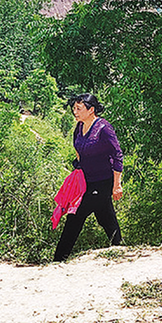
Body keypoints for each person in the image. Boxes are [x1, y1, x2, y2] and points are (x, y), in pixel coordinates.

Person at [53, 93, 124, 261]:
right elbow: (77, 148)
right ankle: (119, 248)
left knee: (75, 215)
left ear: (91, 110)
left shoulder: (104, 128)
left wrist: (117, 185)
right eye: (74, 108)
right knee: (105, 216)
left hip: (103, 181)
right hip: (86, 181)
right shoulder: (79, 127)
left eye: (79, 109)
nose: (75, 112)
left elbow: (117, 155)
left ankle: (59, 259)